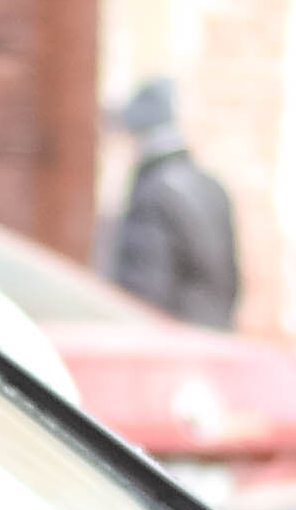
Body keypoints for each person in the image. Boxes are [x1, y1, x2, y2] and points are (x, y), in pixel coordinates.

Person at [96, 77, 242, 330]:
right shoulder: (210, 184)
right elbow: (230, 281)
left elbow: (143, 292)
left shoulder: (152, 192)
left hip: (169, 346)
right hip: (211, 337)